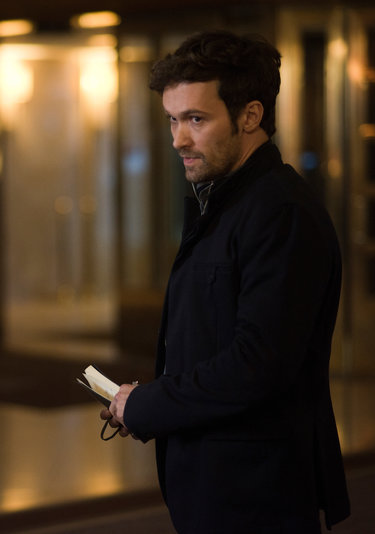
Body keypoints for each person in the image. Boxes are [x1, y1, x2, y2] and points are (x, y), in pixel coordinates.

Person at [101, 31, 350, 533]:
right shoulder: (227, 202)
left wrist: (150, 405)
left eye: (196, 119)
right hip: (218, 483)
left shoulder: (281, 212)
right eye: (173, 120)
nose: (178, 139)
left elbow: (258, 364)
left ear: (250, 116)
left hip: (257, 492)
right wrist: (143, 402)